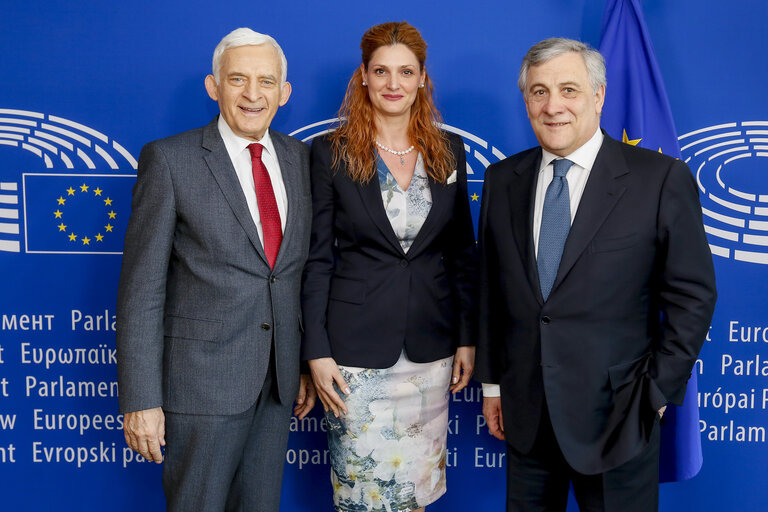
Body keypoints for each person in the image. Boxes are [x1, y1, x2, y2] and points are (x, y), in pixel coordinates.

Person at [476, 38, 716, 512]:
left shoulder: (660, 179)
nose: (553, 106)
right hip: (527, 412)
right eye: (539, 91)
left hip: (620, 416)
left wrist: (658, 390)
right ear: (526, 100)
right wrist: (493, 386)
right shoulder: (504, 179)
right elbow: (491, 290)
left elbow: (694, 297)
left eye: (569, 89)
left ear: (599, 96)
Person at [116, 27, 315, 512]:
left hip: (277, 384)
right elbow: (141, 291)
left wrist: (303, 358)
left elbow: (293, 274)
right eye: (238, 80)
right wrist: (140, 400)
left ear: (284, 93)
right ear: (214, 86)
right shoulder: (169, 159)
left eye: (266, 82)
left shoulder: (301, 160)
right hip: (199, 386)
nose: (253, 94)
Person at [301, 21, 477, 512]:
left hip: (430, 352)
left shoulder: (448, 152)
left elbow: (462, 251)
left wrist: (467, 336)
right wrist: (315, 350)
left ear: (423, 78)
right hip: (354, 359)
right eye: (381, 71)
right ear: (363, 76)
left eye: (405, 71)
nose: (393, 83)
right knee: (366, 496)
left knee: (414, 492)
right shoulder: (331, 153)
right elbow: (316, 258)